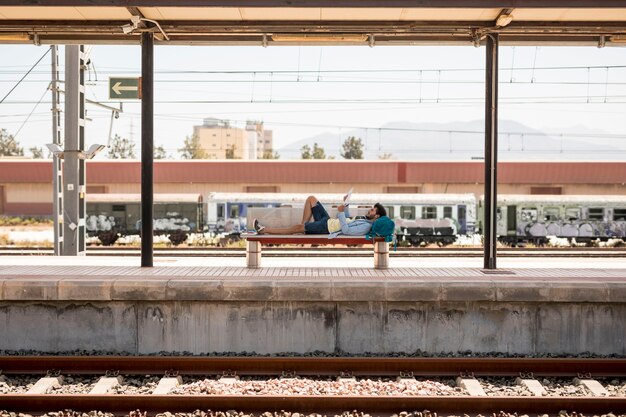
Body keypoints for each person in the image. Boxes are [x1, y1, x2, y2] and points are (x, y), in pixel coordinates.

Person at [253, 195, 386, 236]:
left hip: (327, 228)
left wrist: (339, 212)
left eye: (373, 210)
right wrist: (345, 205)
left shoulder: (366, 227)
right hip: (327, 221)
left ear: (377, 216)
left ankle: (263, 230)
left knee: (299, 227)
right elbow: (347, 219)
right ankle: (303, 228)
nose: (370, 210)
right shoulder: (363, 219)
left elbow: (346, 230)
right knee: (311, 199)